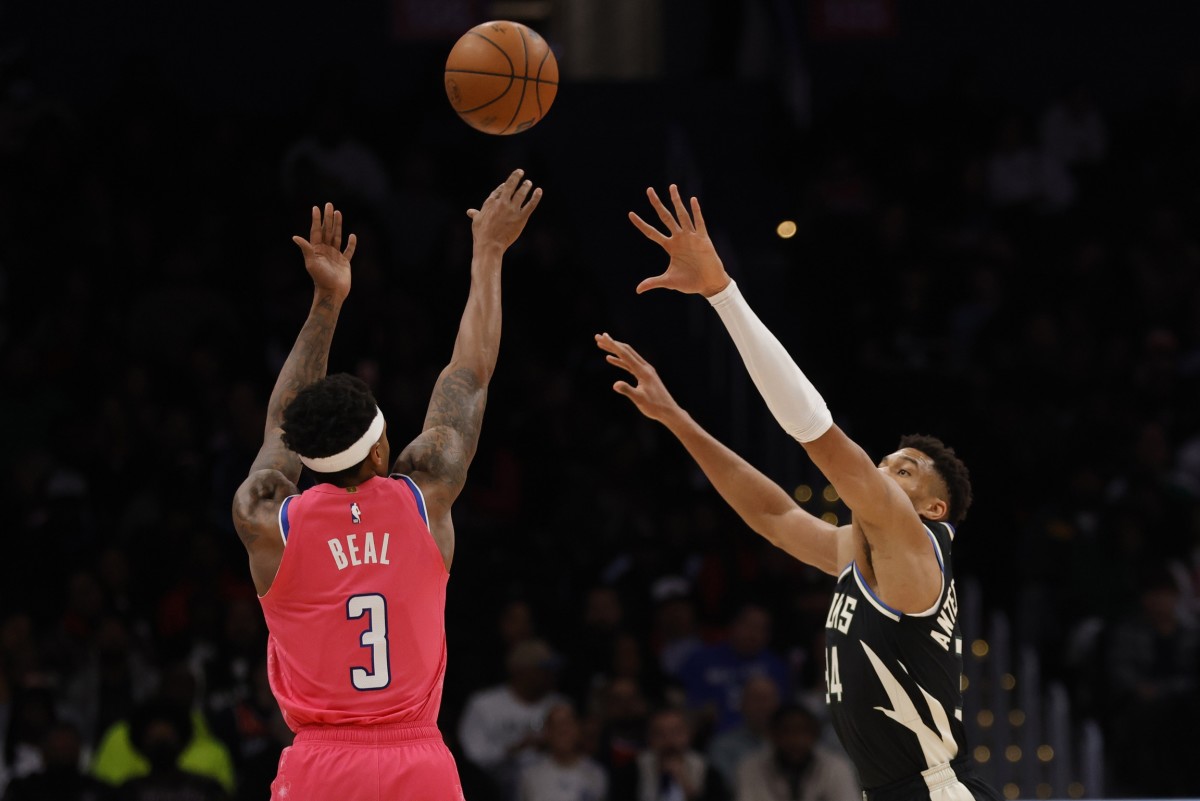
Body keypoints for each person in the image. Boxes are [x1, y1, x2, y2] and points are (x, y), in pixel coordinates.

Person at [595, 184, 1000, 801]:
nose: (888, 470)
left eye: (906, 471)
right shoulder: (863, 556)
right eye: (889, 460)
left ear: (934, 508)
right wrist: (678, 419)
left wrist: (722, 294)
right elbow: (774, 513)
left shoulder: (913, 541)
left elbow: (817, 434)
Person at [230, 169, 542, 800]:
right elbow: (470, 377)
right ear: (380, 443)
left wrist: (326, 302)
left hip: (319, 766)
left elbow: (278, 421)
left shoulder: (267, 517)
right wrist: (488, 255)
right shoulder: (424, 494)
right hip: (415, 762)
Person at [458, 638, 568, 800]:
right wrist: (514, 749)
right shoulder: (484, 704)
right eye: (544, 669)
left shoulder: (560, 706)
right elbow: (473, 757)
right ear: (521, 670)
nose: (551, 675)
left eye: (553, 669)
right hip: (490, 790)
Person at [735, 704, 859, 801]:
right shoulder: (750, 768)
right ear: (772, 735)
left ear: (814, 734)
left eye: (802, 731)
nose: (795, 739)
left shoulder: (836, 768)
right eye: (787, 731)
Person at [609, 706, 729, 801]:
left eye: (676, 732)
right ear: (649, 738)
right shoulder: (632, 771)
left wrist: (685, 784)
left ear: (689, 735)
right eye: (660, 734)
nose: (669, 740)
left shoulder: (707, 772)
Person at [516, 702, 607, 801]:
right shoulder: (530, 774)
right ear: (547, 732)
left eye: (568, 724)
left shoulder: (596, 774)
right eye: (556, 725)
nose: (563, 730)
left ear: (578, 728)